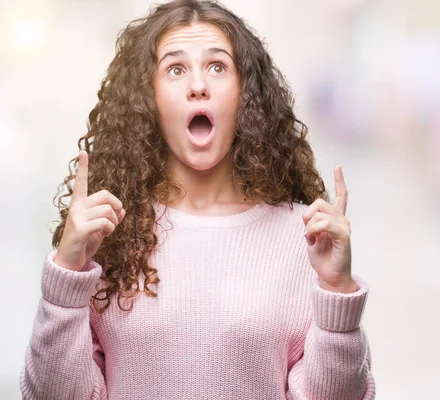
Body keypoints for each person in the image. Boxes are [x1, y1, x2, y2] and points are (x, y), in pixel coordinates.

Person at [19, 0, 375, 399]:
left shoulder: (307, 239)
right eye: (175, 69)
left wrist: (337, 290)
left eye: (218, 67)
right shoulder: (109, 234)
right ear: (148, 99)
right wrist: (67, 273)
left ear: (245, 94)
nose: (198, 85)